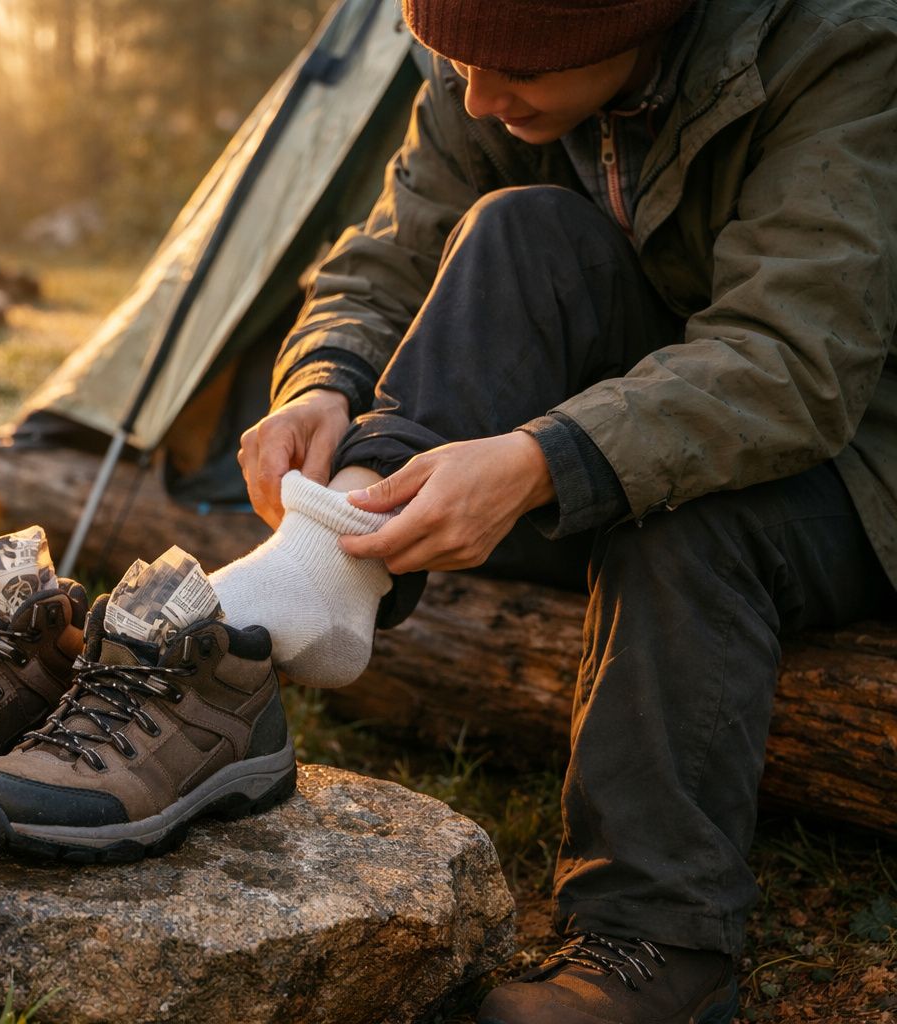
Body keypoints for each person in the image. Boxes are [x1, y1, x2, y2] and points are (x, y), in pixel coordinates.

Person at [215, 0, 897, 1020]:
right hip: (649, 389)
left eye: (518, 68)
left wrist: (543, 459)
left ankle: (655, 946)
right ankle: (335, 556)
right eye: (458, 60)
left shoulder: (836, 42)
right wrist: (323, 378)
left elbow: (795, 361)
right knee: (518, 229)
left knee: (676, 516)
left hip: (858, 449)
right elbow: (393, 251)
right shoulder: (483, 64)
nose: (477, 96)